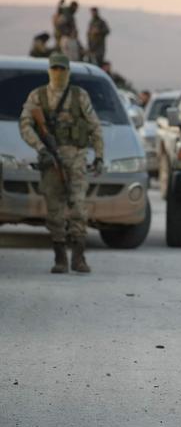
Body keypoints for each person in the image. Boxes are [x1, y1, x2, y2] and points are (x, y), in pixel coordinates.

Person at [19, 53, 104, 274]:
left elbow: (95, 126)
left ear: (68, 71)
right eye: (54, 68)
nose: (58, 73)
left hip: (76, 158)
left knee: (78, 206)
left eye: (62, 69)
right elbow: (25, 124)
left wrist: (100, 156)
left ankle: (78, 257)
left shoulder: (79, 96)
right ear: (49, 70)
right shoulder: (38, 96)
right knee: (54, 210)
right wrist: (41, 148)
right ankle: (60, 258)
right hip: (50, 160)